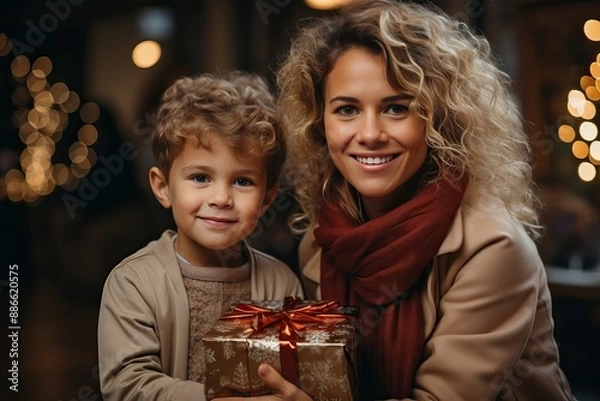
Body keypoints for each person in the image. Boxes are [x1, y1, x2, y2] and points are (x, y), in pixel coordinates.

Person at [224, 1, 575, 400]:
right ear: (320, 123)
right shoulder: (321, 244)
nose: (370, 133)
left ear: (437, 119)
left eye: (396, 108)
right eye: (347, 110)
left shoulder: (494, 248)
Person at [97, 72, 304, 401]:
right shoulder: (133, 283)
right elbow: (127, 385)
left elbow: (295, 375)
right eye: (200, 177)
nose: (221, 198)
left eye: (242, 182)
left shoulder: (282, 284)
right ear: (163, 187)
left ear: (267, 197)